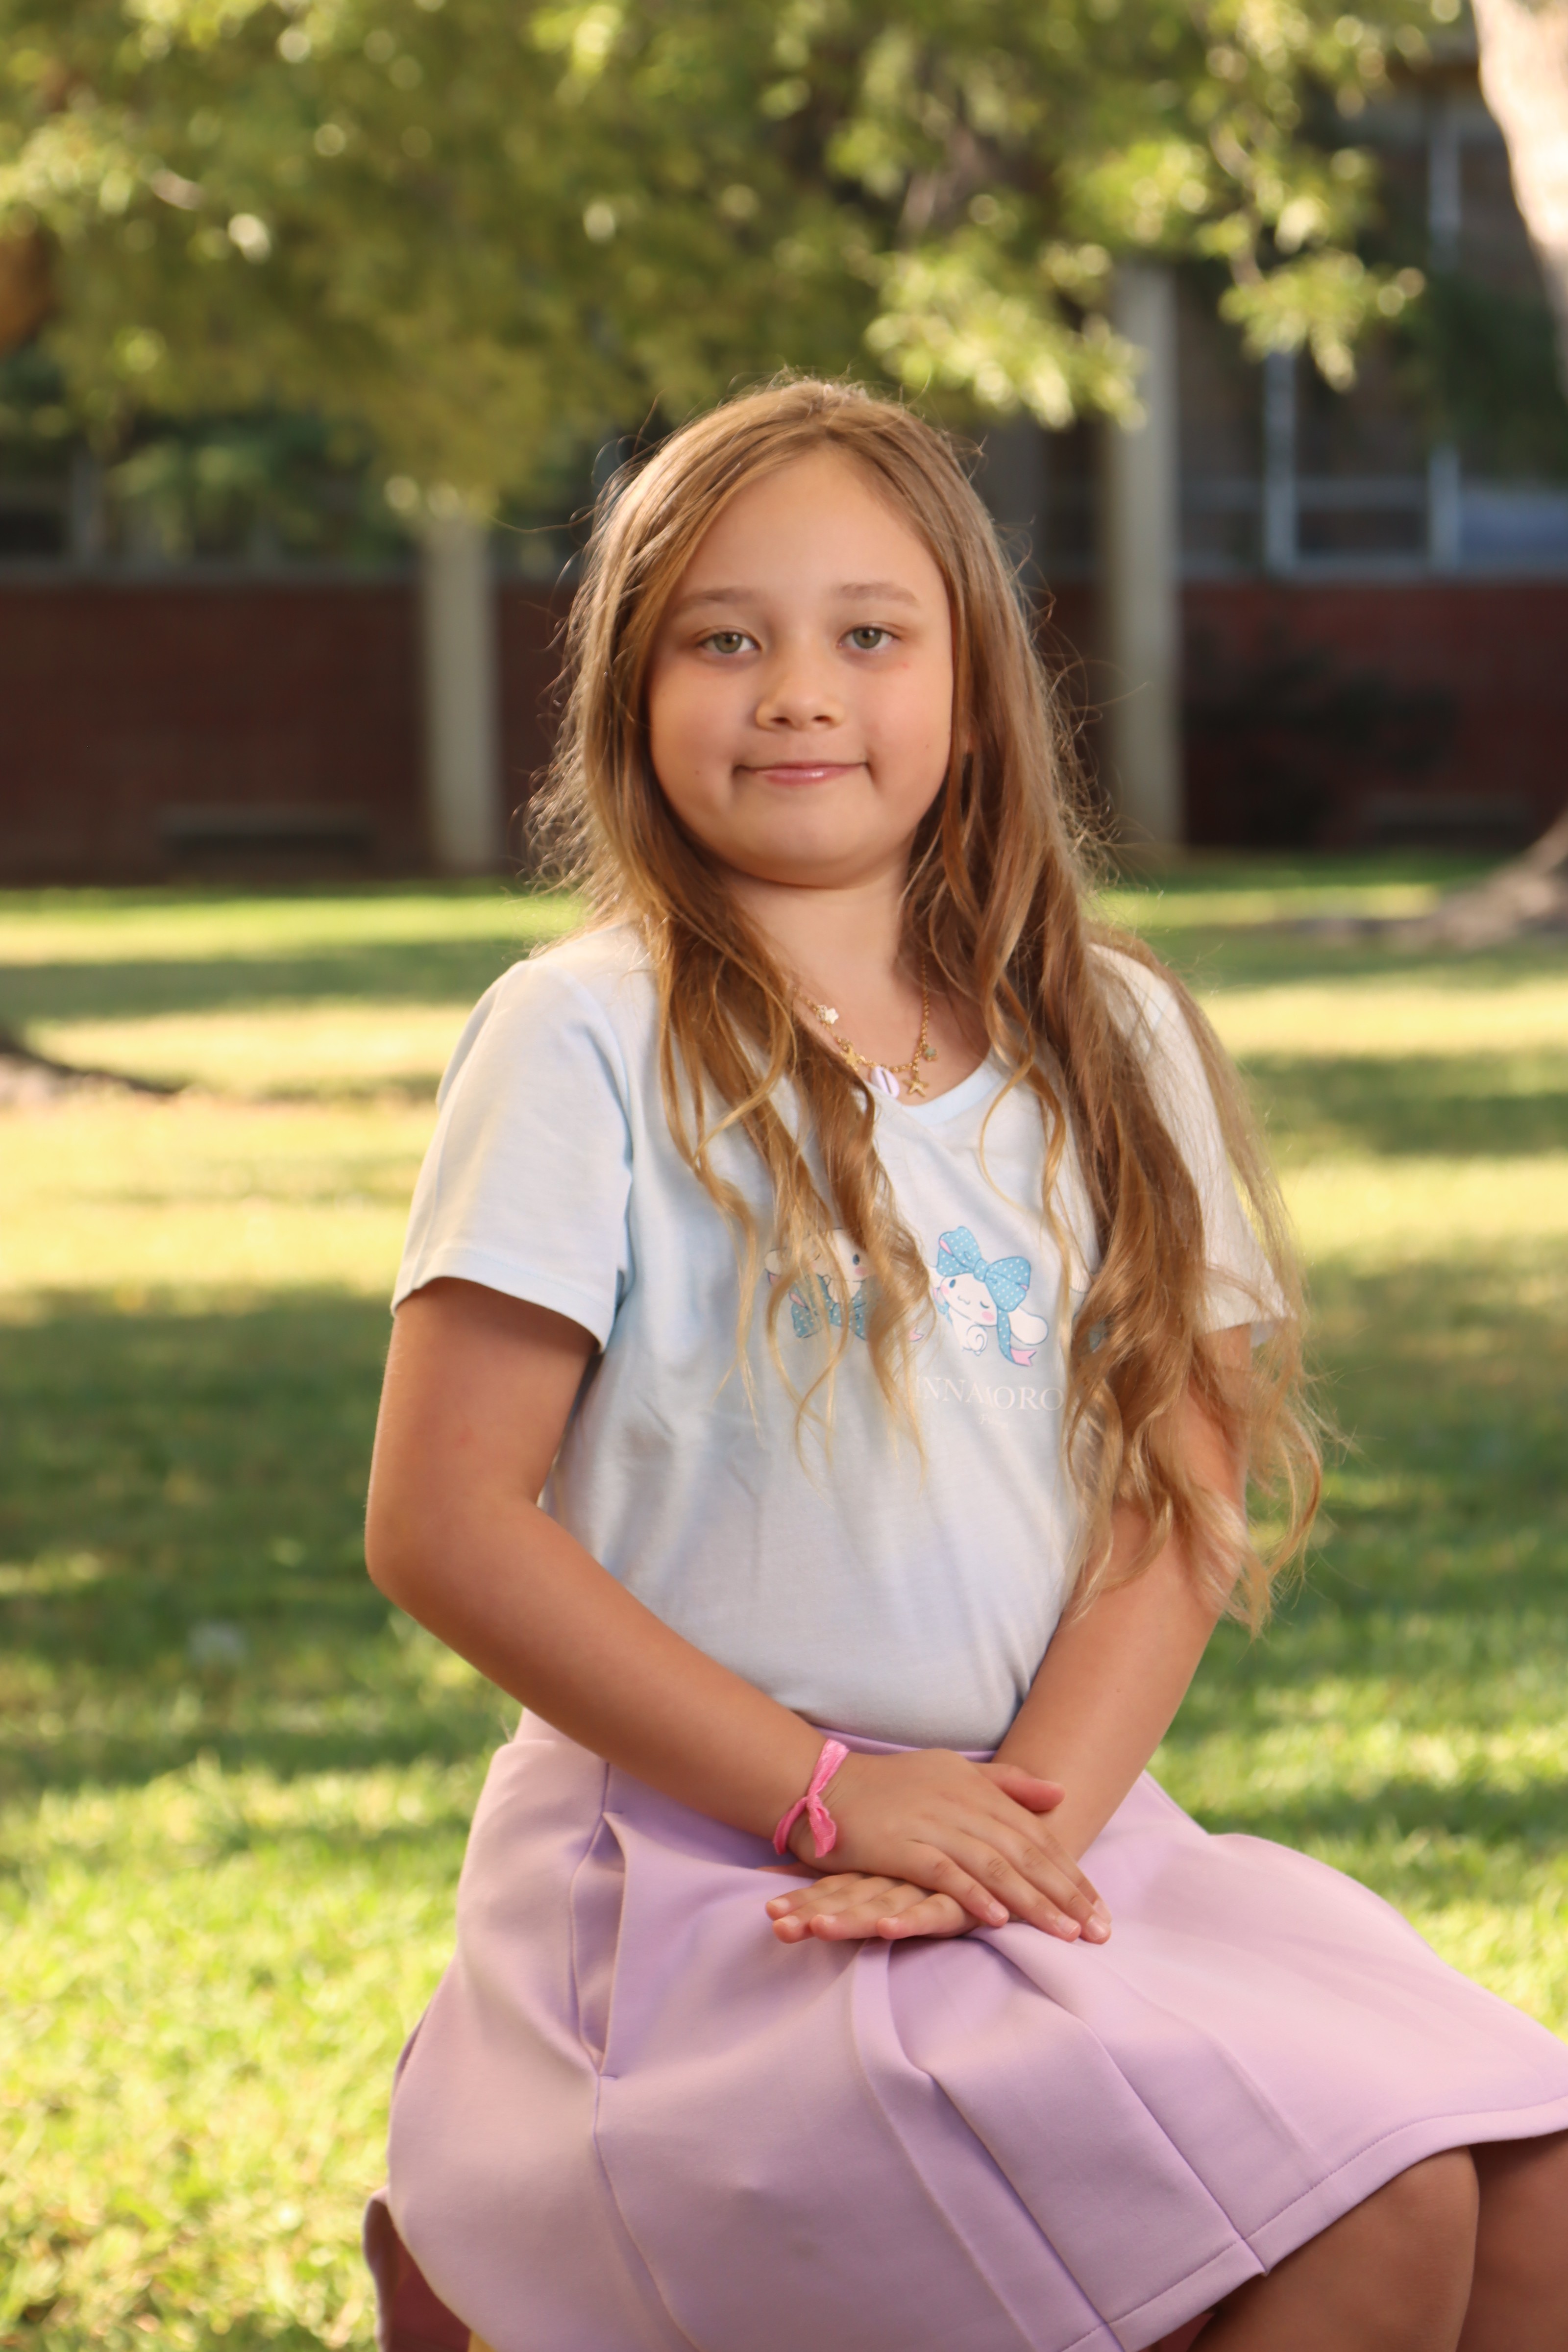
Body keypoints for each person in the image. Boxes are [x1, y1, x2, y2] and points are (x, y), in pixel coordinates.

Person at [361, 379, 1568, 2352]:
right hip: (706, 1870)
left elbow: (1177, 1495)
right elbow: (444, 1524)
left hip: (1040, 1835)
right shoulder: (581, 1037)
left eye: (868, 634)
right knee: (1375, 2221)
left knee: (1523, 2200)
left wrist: (1017, 1838)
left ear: (976, 687)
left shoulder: (1112, 1039)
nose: (794, 692)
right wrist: (834, 1797)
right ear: (629, 691)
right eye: (722, 639)